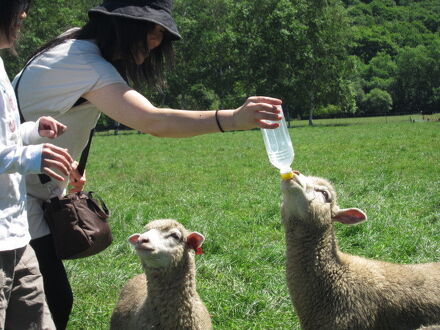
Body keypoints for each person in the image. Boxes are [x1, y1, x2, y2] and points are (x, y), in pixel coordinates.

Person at [13, 0, 283, 328]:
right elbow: (152, 121)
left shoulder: (71, 45)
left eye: (160, 36)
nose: (154, 44)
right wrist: (232, 119)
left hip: (24, 188)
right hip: (13, 197)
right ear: (121, 27)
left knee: (43, 300)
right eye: (149, 33)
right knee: (46, 303)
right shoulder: (83, 63)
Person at [0, 0, 75, 329]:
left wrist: (32, 131)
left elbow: (6, 139)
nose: (23, 15)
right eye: (16, 6)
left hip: (18, 237)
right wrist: (31, 157)